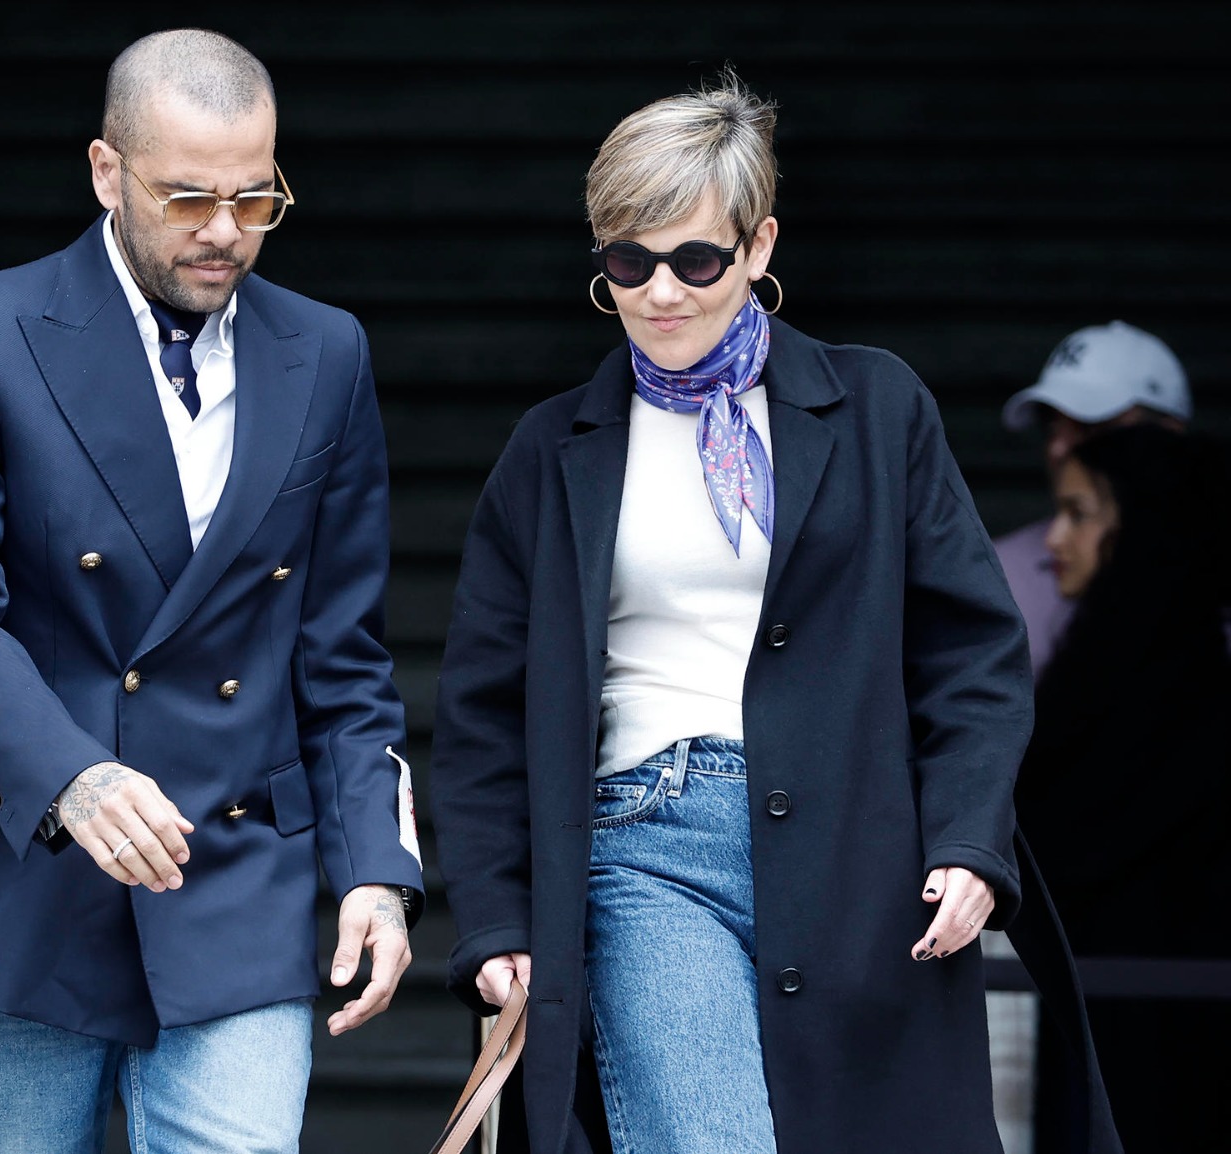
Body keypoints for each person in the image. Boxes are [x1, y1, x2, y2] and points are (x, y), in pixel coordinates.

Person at [428, 73, 1118, 1154]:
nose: (660, 292)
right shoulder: (549, 451)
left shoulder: (877, 406)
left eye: (696, 260)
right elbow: (479, 710)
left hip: (861, 860)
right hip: (640, 847)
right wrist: (496, 916)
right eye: (627, 263)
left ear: (758, 247)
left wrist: (969, 835)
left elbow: (973, 653)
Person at [0, 28, 425, 1154]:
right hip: (30, 869)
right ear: (107, 171)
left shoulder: (328, 351)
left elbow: (342, 651)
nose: (225, 232)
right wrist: (70, 774)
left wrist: (375, 868)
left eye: (256, 199)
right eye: (189, 198)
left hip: (236, 871)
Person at [1015, 423, 1231, 1153]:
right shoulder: (1110, 678)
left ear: (1139, 532)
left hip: (1163, 1046)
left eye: (1078, 514)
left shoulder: (1178, 706)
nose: (1054, 539)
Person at [994, 321, 1192, 680]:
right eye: (1051, 429)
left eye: (1089, 425)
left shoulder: (1210, 582)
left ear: (1169, 437)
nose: (1058, 449)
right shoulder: (996, 576)